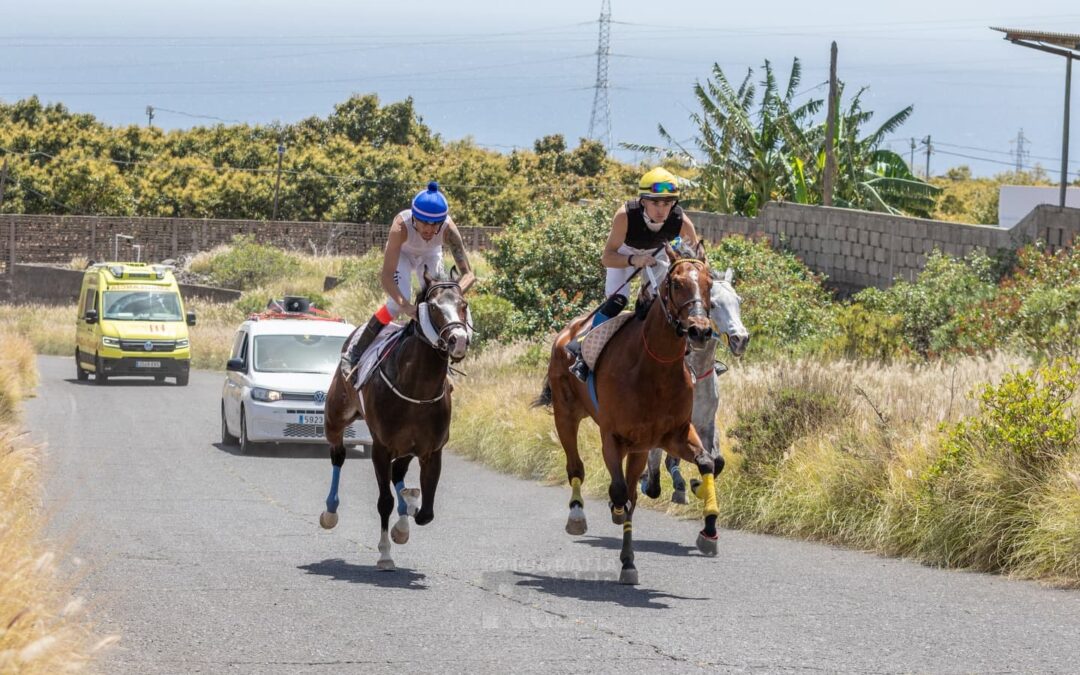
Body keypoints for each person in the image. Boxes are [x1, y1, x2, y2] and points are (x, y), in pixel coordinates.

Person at [567, 167, 700, 381]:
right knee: (617, 301)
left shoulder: (681, 221)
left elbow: (698, 259)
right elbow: (607, 258)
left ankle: (687, 358)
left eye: (667, 204)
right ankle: (585, 353)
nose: (661, 210)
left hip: (656, 256)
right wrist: (633, 260)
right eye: (655, 203)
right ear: (643, 201)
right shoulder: (625, 216)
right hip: (623, 256)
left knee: (660, 304)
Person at [342, 181, 475, 376]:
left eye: (435, 224)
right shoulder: (400, 227)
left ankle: (443, 362)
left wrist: (452, 294)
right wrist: (405, 306)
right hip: (403, 255)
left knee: (439, 302)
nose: (430, 230)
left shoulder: (449, 230)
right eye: (424, 224)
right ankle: (356, 352)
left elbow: (469, 275)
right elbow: (386, 277)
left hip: (431, 254)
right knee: (396, 304)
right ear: (414, 219)